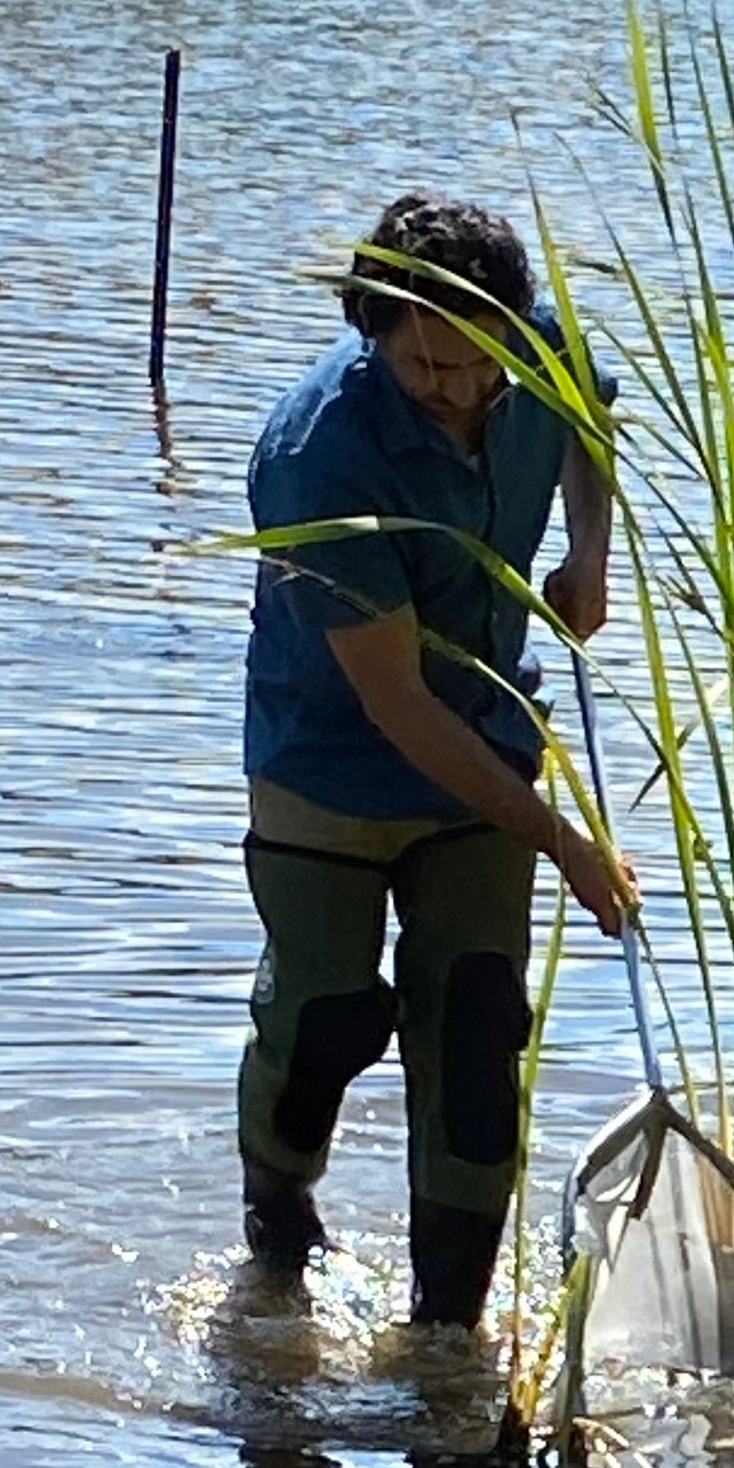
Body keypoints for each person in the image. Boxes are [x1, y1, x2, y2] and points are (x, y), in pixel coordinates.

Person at [238, 189, 638, 1327]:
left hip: (490, 740)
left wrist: (587, 551)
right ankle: (276, 1240)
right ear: (374, 337)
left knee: (473, 1034)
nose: (454, 390)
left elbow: (588, 427)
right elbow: (400, 710)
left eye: (474, 367)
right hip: (332, 765)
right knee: (330, 1019)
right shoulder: (321, 457)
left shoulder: (539, 349)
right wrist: (562, 842)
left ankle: (446, 1329)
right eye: (422, 368)